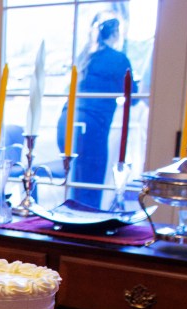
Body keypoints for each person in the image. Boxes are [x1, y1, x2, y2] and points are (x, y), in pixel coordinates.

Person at [56, 14, 136, 208]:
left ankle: (71, 221)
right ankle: (82, 226)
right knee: (90, 187)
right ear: (116, 33)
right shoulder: (118, 59)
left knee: (75, 182)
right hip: (91, 126)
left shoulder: (86, 56)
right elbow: (132, 95)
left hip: (66, 123)